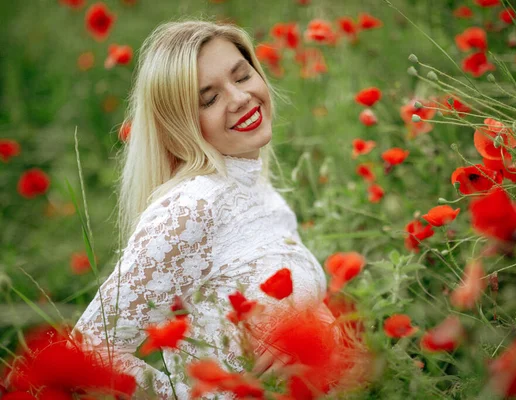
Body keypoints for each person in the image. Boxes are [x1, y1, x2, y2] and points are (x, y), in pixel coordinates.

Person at [73, 20, 328, 399]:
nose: (240, 98)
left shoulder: (257, 189)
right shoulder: (192, 209)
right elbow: (86, 352)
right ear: (179, 128)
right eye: (208, 99)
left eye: (242, 76)